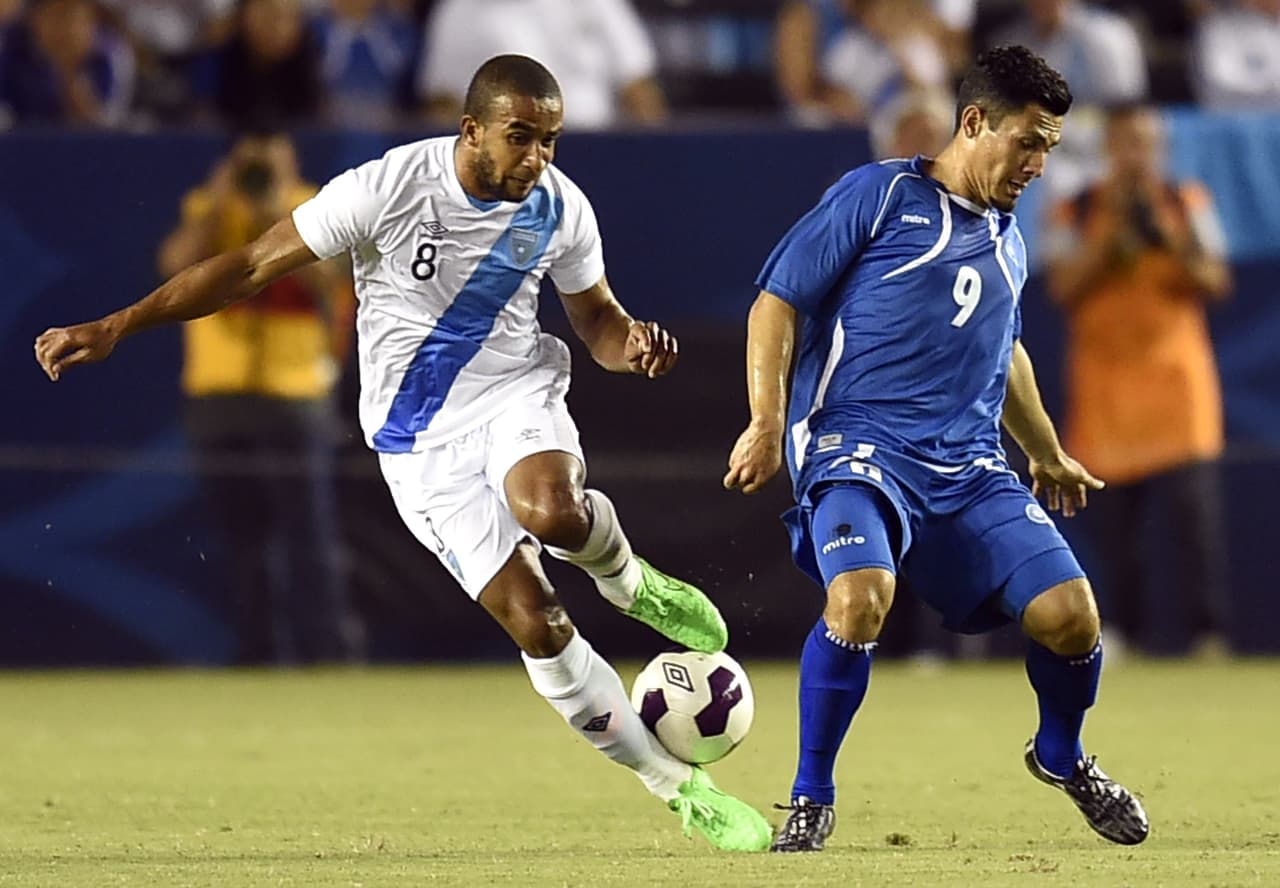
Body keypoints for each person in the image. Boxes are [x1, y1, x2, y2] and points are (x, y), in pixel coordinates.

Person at [35, 54, 770, 853]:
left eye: (550, 141)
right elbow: (248, 265)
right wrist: (116, 325)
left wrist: (631, 346)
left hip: (513, 394)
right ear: (472, 130)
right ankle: (678, 786)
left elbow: (596, 321)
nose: (536, 158)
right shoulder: (387, 188)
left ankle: (631, 584)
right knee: (539, 622)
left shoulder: (560, 206)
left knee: (552, 511)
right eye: (520, 138)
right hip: (416, 444)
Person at [723, 45, 1149, 852]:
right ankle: (811, 796)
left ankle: (1061, 757)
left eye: (1050, 148)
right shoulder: (880, 195)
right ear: (973, 121)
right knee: (859, 598)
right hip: (860, 444)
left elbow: (1007, 350)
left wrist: (1047, 451)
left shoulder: (1007, 237)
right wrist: (765, 420)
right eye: (1027, 141)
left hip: (968, 465)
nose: (1037, 163)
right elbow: (776, 301)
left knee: (1071, 617)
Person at [157, 131, 363, 665]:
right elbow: (173, 265)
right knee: (242, 539)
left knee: (310, 537)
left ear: (290, 161)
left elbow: (335, 282)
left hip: (292, 392)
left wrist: (276, 212)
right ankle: (258, 652)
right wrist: (221, 198)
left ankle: (330, 654)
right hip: (219, 391)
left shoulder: (316, 209)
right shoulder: (209, 208)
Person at [1044, 103, 1232, 657]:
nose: (1135, 155)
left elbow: (1216, 279)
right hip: (1107, 388)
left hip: (1177, 386)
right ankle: (1122, 630)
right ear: (1107, 149)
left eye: (1145, 143)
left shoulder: (1185, 202)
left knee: (1193, 521)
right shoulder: (1073, 211)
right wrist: (1111, 243)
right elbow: (1062, 289)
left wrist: (1165, 239)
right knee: (1117, 530)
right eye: (1125, 143)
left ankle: (1208, 634)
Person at [416, 0, 666, 130]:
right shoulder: (459, 11)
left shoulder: (597, 4)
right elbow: (444, 105)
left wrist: (656, 158)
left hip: (597, 146)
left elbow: (637, 85)